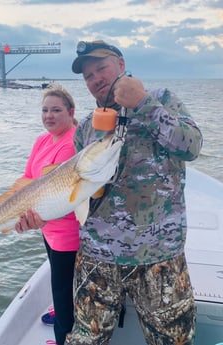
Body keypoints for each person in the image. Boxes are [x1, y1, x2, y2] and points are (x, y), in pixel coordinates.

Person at [61, 40, 203, 345]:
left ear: (121, 65)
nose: (95, 78)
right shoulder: (86, 127)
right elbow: (80, 193)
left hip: (159, 256)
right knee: (85, 340)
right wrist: (37, 213)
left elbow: (191, 147)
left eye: (101, 68)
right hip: (97, 258)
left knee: (173, 340)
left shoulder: (161, 99)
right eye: (87, 76)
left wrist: (142, 103)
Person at [6, 84, 79, 345]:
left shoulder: (71, 144)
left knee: (62, 292)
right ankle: (62, 314)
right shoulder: (42, 140)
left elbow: (56, 195)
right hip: (47, 230)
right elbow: (28, 179)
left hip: (67, 234)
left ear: (71, 112)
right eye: (45, 110)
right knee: (60, 285)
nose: (49, 115)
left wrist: (27, 214)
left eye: (56, 110)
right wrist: (7, 205)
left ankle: (64, 338)